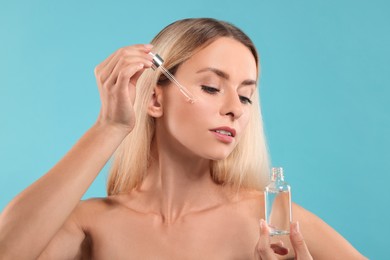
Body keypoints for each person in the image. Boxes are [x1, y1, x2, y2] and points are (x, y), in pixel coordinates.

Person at [0, 18, 366, 259]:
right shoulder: (90, 224)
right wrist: (109, 126)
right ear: (155, 98)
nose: (234, 109)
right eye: (211, 87)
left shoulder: (270, 221)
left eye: (245, 96)